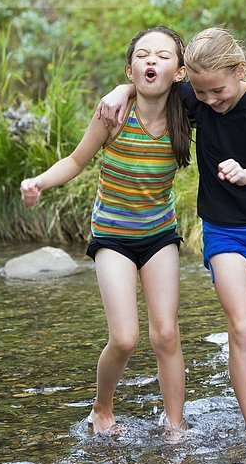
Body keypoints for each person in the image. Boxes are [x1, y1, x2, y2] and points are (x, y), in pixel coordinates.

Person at [96, 27, 246, 442]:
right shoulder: (193, 94)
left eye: (217, 92)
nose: (209, 103)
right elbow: (153, 83)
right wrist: (121, 90)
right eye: (201, 94)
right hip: (223, 230)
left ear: (239, 70)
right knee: (241, 328)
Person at [20, 26, 192, 436]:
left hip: (159, 234)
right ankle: (102, 407)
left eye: (163, 56)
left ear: (181, 72)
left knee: (166, 334)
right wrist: (40, 182)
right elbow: (77, 160)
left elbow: (224, 88)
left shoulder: (187, 111)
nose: (152, 61)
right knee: (126, 339)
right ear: (130, 68)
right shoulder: (113, 114)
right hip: (113, 236)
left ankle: (175, 426)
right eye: (143, 55)